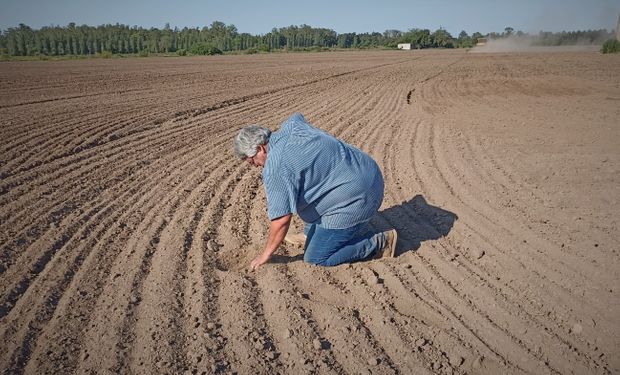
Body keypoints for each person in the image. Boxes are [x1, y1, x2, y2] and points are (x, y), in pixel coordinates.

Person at [233, 112, 397, 270]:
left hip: (361, 197)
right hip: (369, 171)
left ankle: (379, 244)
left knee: (316, 258)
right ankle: (310, 234)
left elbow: (282, 220)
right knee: (311, 185)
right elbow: (297, 115)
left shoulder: (275, 168)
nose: (253, 165)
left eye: (251, 160)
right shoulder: (292, 126)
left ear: (261, 149)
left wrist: (265, 254)